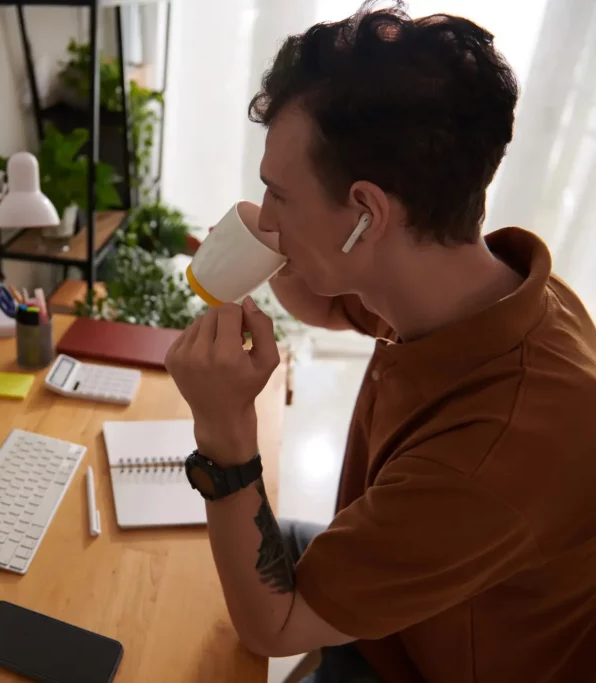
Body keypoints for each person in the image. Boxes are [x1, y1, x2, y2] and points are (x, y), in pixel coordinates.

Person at [165, 5, 596, 683]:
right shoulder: (470, 285)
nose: (267, 218)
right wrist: (265, 242)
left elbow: (272, 625)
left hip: (416, 663)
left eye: (277, 194)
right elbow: (330, 301)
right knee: (175, 565)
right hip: (407, 591)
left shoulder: (501, 446)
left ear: (367, 215)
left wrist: (224, 429)